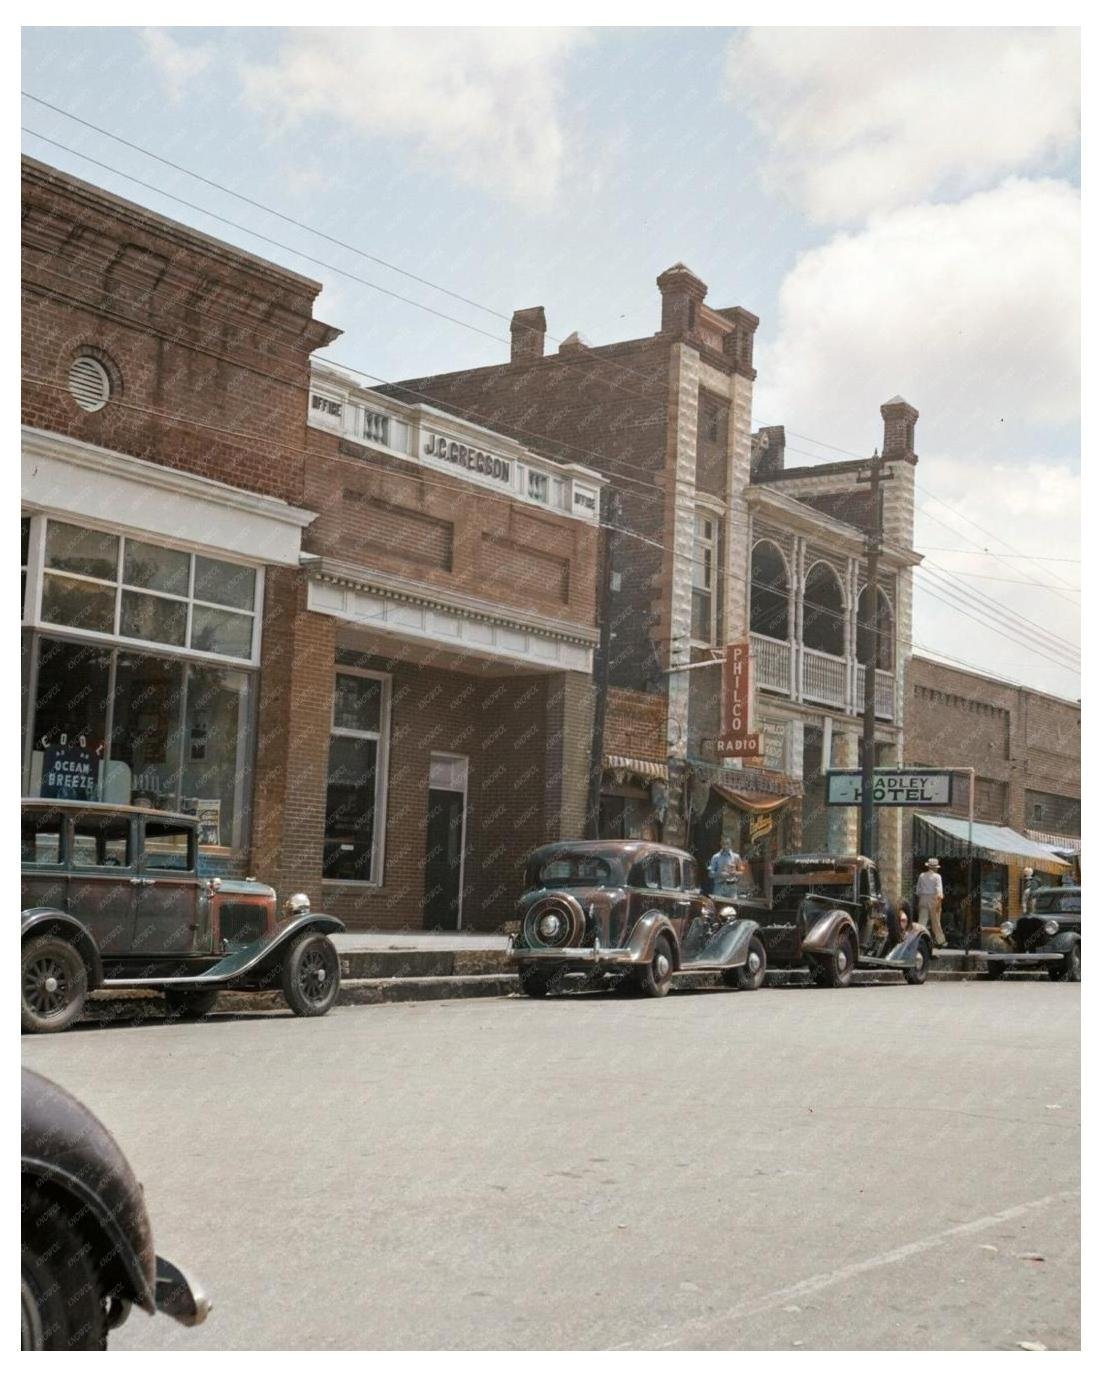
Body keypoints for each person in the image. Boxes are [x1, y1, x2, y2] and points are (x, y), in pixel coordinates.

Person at [915, 857, 947, 946]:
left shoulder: (921, 875)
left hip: (923, 899)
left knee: (922, 922)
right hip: (934, 899)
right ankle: (941, 941)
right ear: (936, 868)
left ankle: (918, 939)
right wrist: (939, 904)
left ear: (928, 866)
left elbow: (918, 891)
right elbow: (939, 892)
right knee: (936, 922)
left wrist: (919, 902)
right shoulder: (937, 877)